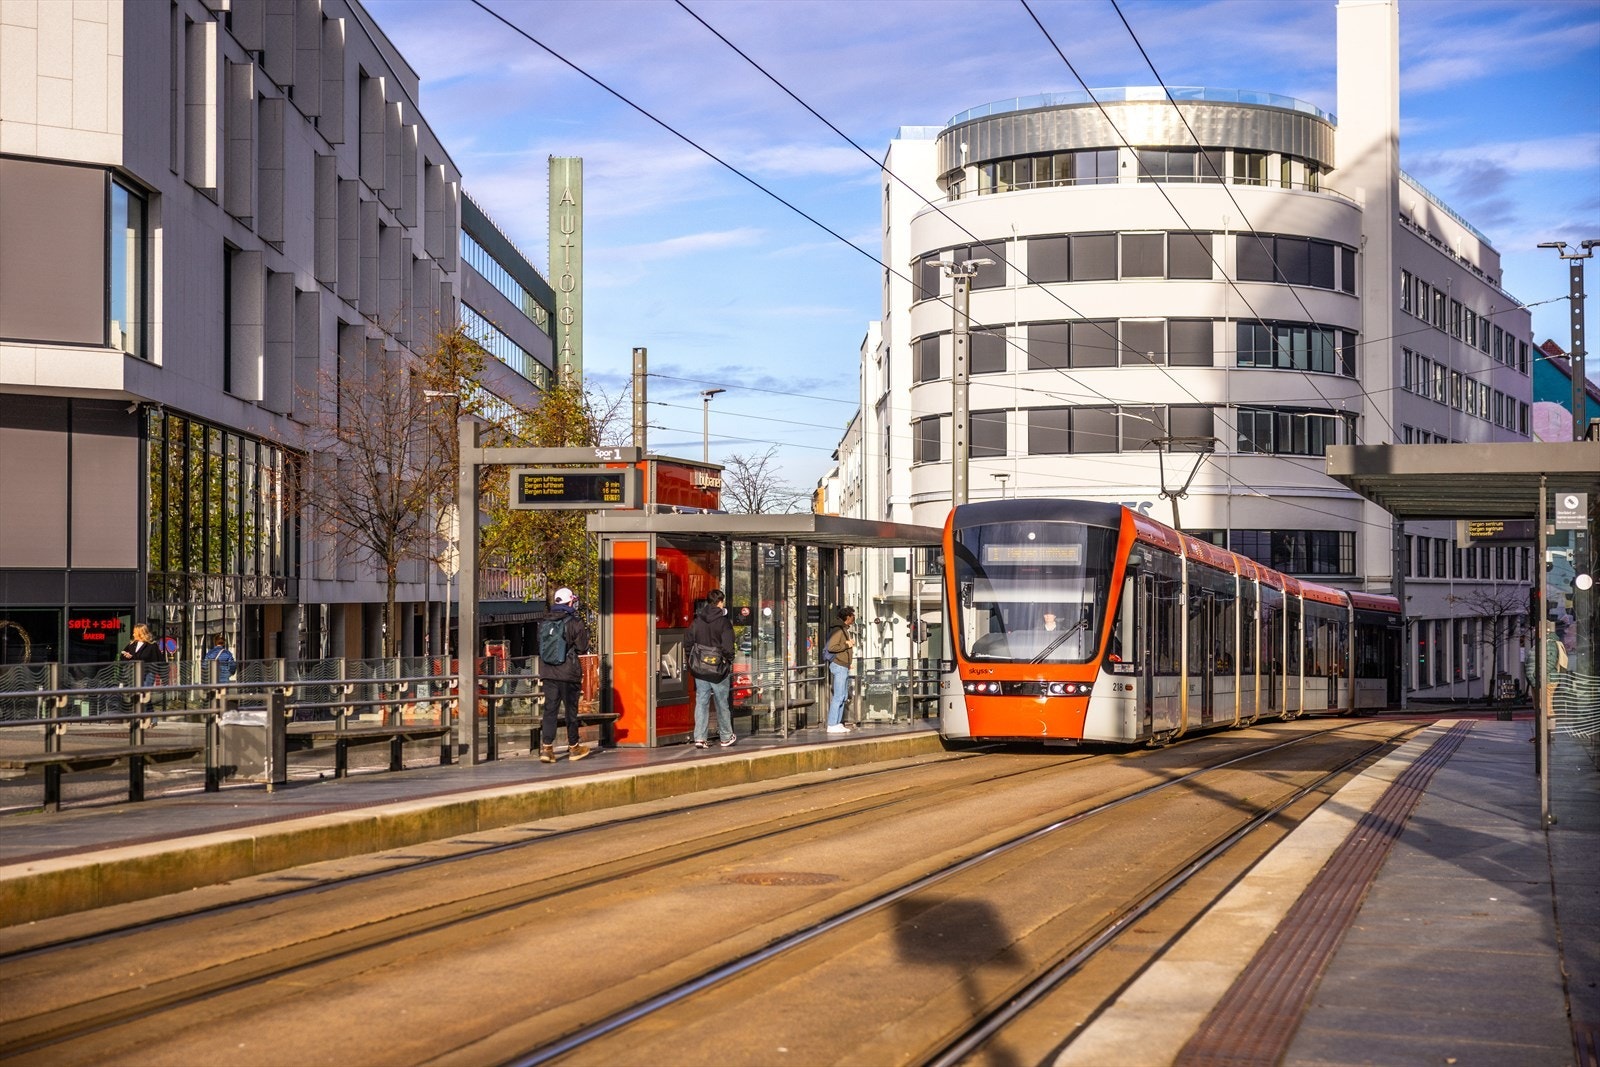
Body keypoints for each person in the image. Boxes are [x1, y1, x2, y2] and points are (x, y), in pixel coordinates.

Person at [536, 587, 592, 763]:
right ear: (570, 602)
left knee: (550, 710)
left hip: (548, 672)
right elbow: (583, 647)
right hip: (568, 673)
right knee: (571, 711)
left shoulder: (544, 622)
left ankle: (547, 749)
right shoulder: (574, 622)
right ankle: (574, 747)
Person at [686, 588, 737, 749]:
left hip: (700, 667)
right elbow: (728, 646)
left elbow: (687, 641)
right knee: (722, 702)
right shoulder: (724, 622)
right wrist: (728, 660)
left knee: (701, 701)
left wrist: (692, 659)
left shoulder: (697, 621)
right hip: (718, 668)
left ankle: (700, 738)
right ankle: (726, 736)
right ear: (720, 602)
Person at [824, 606, 857, 734]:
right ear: (848, 617)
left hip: (844, 665)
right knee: (838, 695)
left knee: (842, 696)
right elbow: (832, 647)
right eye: (853, 615)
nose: (854, 618)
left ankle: (837, 723)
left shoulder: (843, 629)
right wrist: (847, 644)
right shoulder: (838, 630)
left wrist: (848, 663)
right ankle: (832, 724)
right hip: (839, 666)